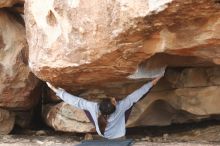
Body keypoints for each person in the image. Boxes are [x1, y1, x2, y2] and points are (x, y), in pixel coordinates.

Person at [46, 76, 162, 139]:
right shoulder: (121, 107)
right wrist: (154, 82)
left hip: (102, 132)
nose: (115, 99)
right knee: (132, 102)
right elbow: (138, 93)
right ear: (115, 106)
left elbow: (76, 101)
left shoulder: (94, 107)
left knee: (83, 105)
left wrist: (58, 91)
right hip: (118, 134)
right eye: (114, 101)